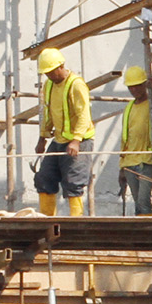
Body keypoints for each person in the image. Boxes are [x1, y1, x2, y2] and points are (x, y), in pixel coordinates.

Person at [33, 46, 95, 216]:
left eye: (52, 72)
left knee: (73, 182)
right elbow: (49, 112)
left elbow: (84, 115)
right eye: (46, 73)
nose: (50, 76)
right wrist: (42, 137)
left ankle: (76, 225)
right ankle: (47, 221)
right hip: (59, 141)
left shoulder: (76, 85)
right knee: (44, 177)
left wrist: (76, 140)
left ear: (61, 66)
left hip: (79, 141)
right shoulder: (49, 85)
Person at [118, 65, 152, 215]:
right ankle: (142, 229)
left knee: (143, 201)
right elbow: (125, 140)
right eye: (131, 87)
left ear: (144, 85)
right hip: (129, 162)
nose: (134, 90)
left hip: (146, 161)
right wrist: (121, 168)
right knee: (138, 204)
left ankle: (151, 231)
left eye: (137, 86)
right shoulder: (129, 108)